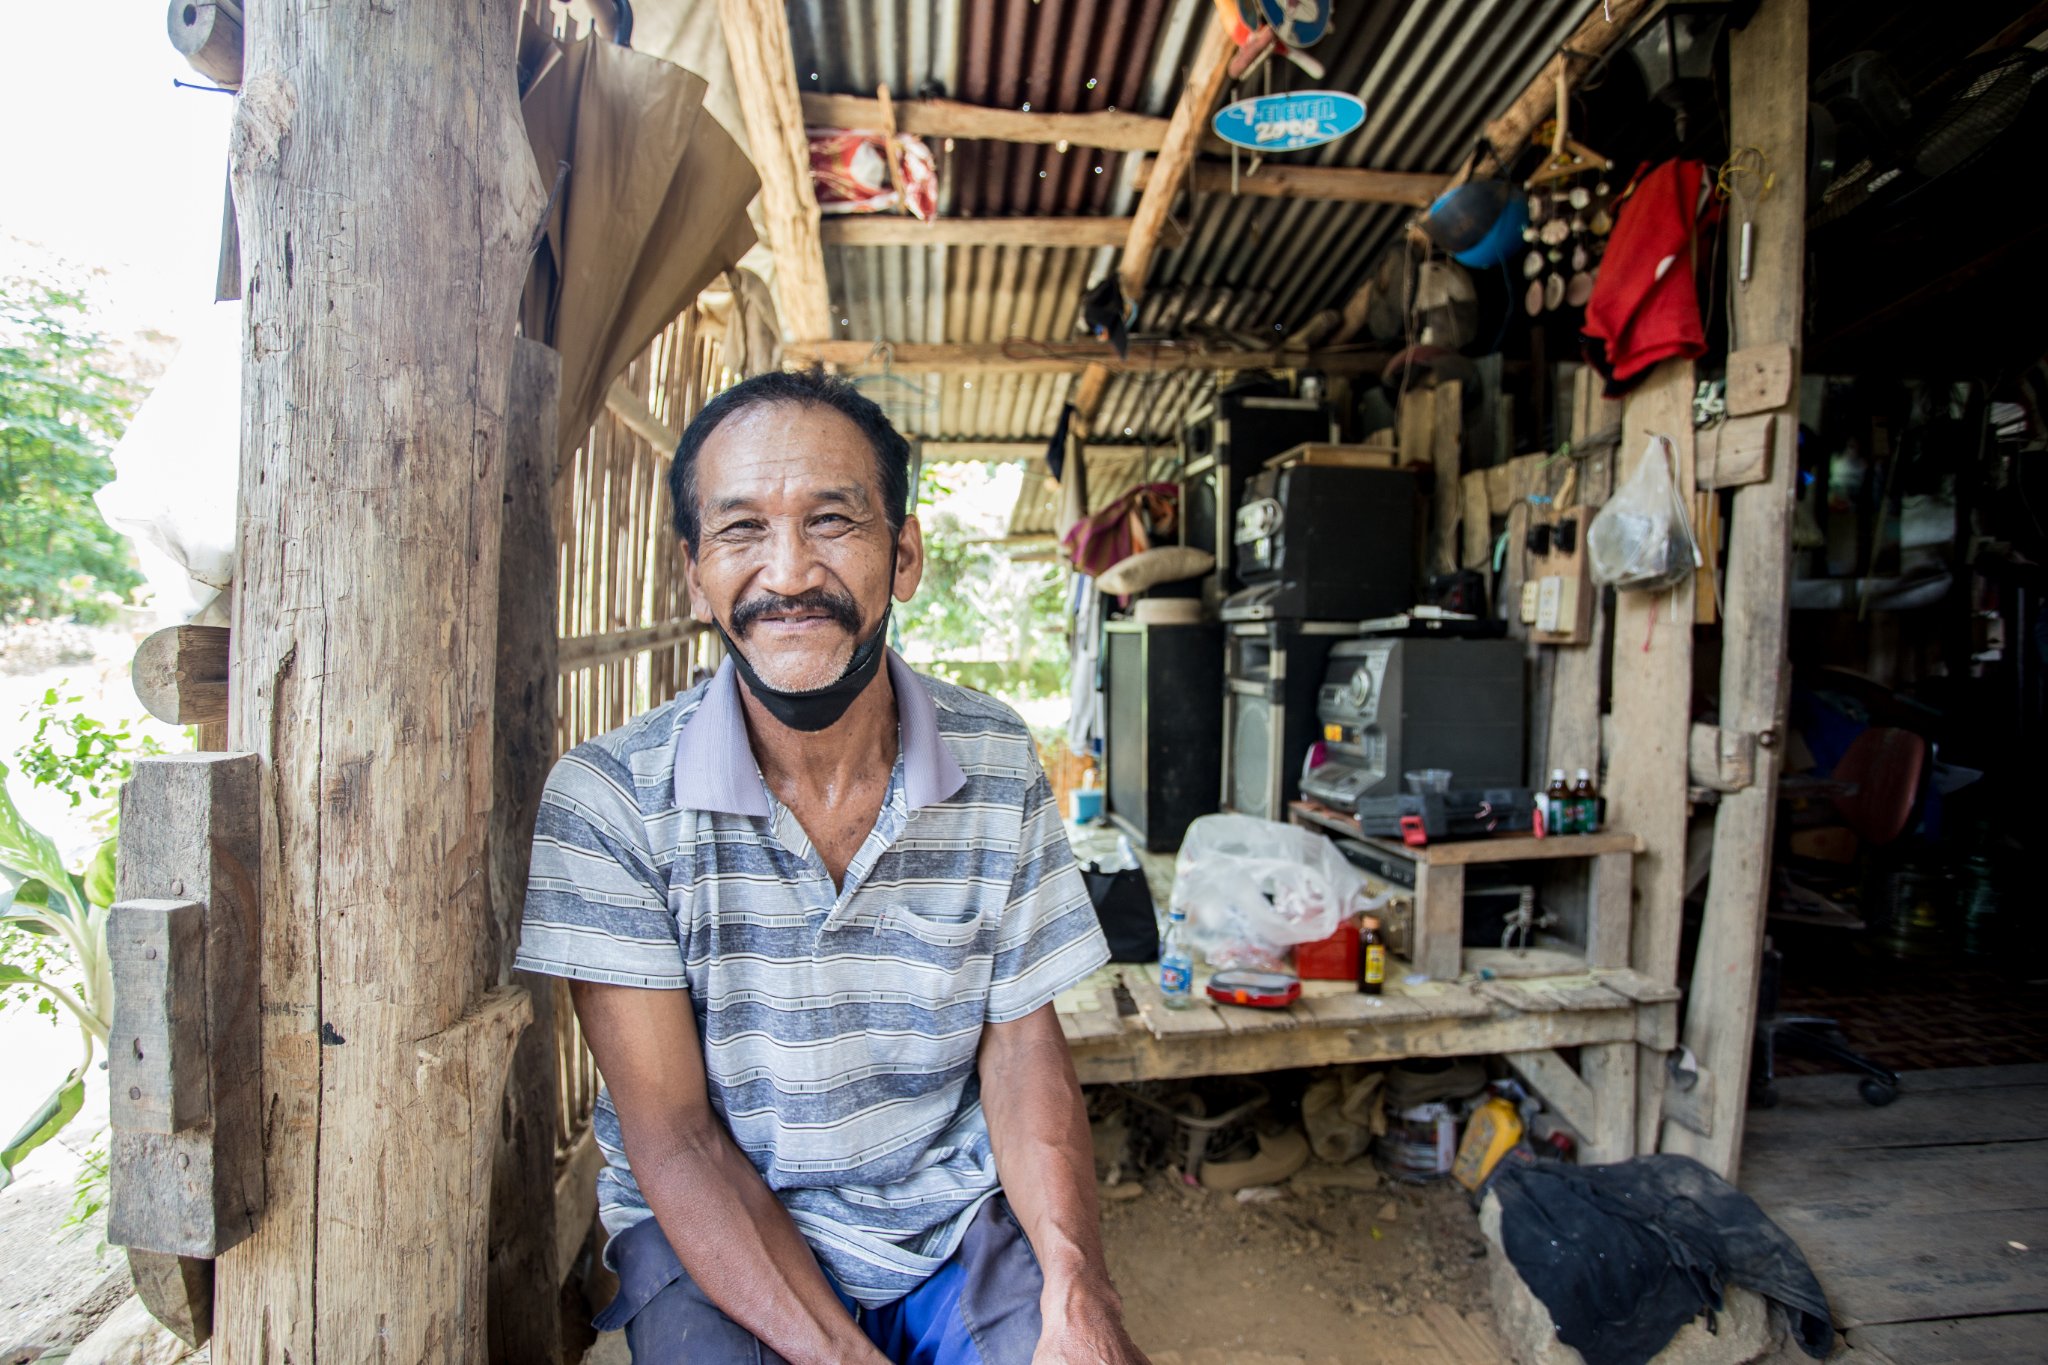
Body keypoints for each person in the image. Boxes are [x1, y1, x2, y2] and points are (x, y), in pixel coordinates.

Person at [515, 370, 1146, 1365]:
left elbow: (1021, 1052)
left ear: (904, 556)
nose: (789, 572)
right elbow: (674, 1136)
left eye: (832, 522)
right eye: (739, 532)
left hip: (944, 1222)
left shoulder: (993, 760)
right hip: (714, 1224)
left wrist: (1077, 1286)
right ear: (692, 574)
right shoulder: (608, 802)